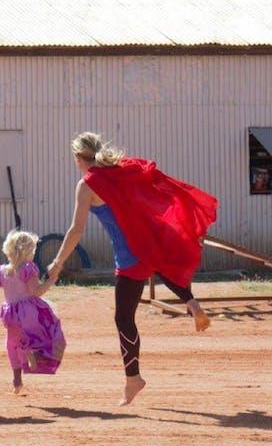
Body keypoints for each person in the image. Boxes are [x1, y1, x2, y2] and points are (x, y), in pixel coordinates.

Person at [47, 132, 218, 406]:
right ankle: (192, 302)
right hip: (149, 239)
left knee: (123, 319)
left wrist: (57, 262)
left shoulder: (87, 184)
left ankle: (133, 379)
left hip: (129, 255)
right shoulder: (120, 170)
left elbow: (76, 230)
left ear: (79, 158)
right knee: (160, 266)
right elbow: (154, 182)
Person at [0, 230, 65, 395]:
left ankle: (17, 378)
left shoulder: (1, 271)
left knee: (12, 343)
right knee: (48, 333)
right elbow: (36, 291)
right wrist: (51, 280)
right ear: (29, 251)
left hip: (10, 315)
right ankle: (34, 354)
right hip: (29, 313)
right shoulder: (27, 269)